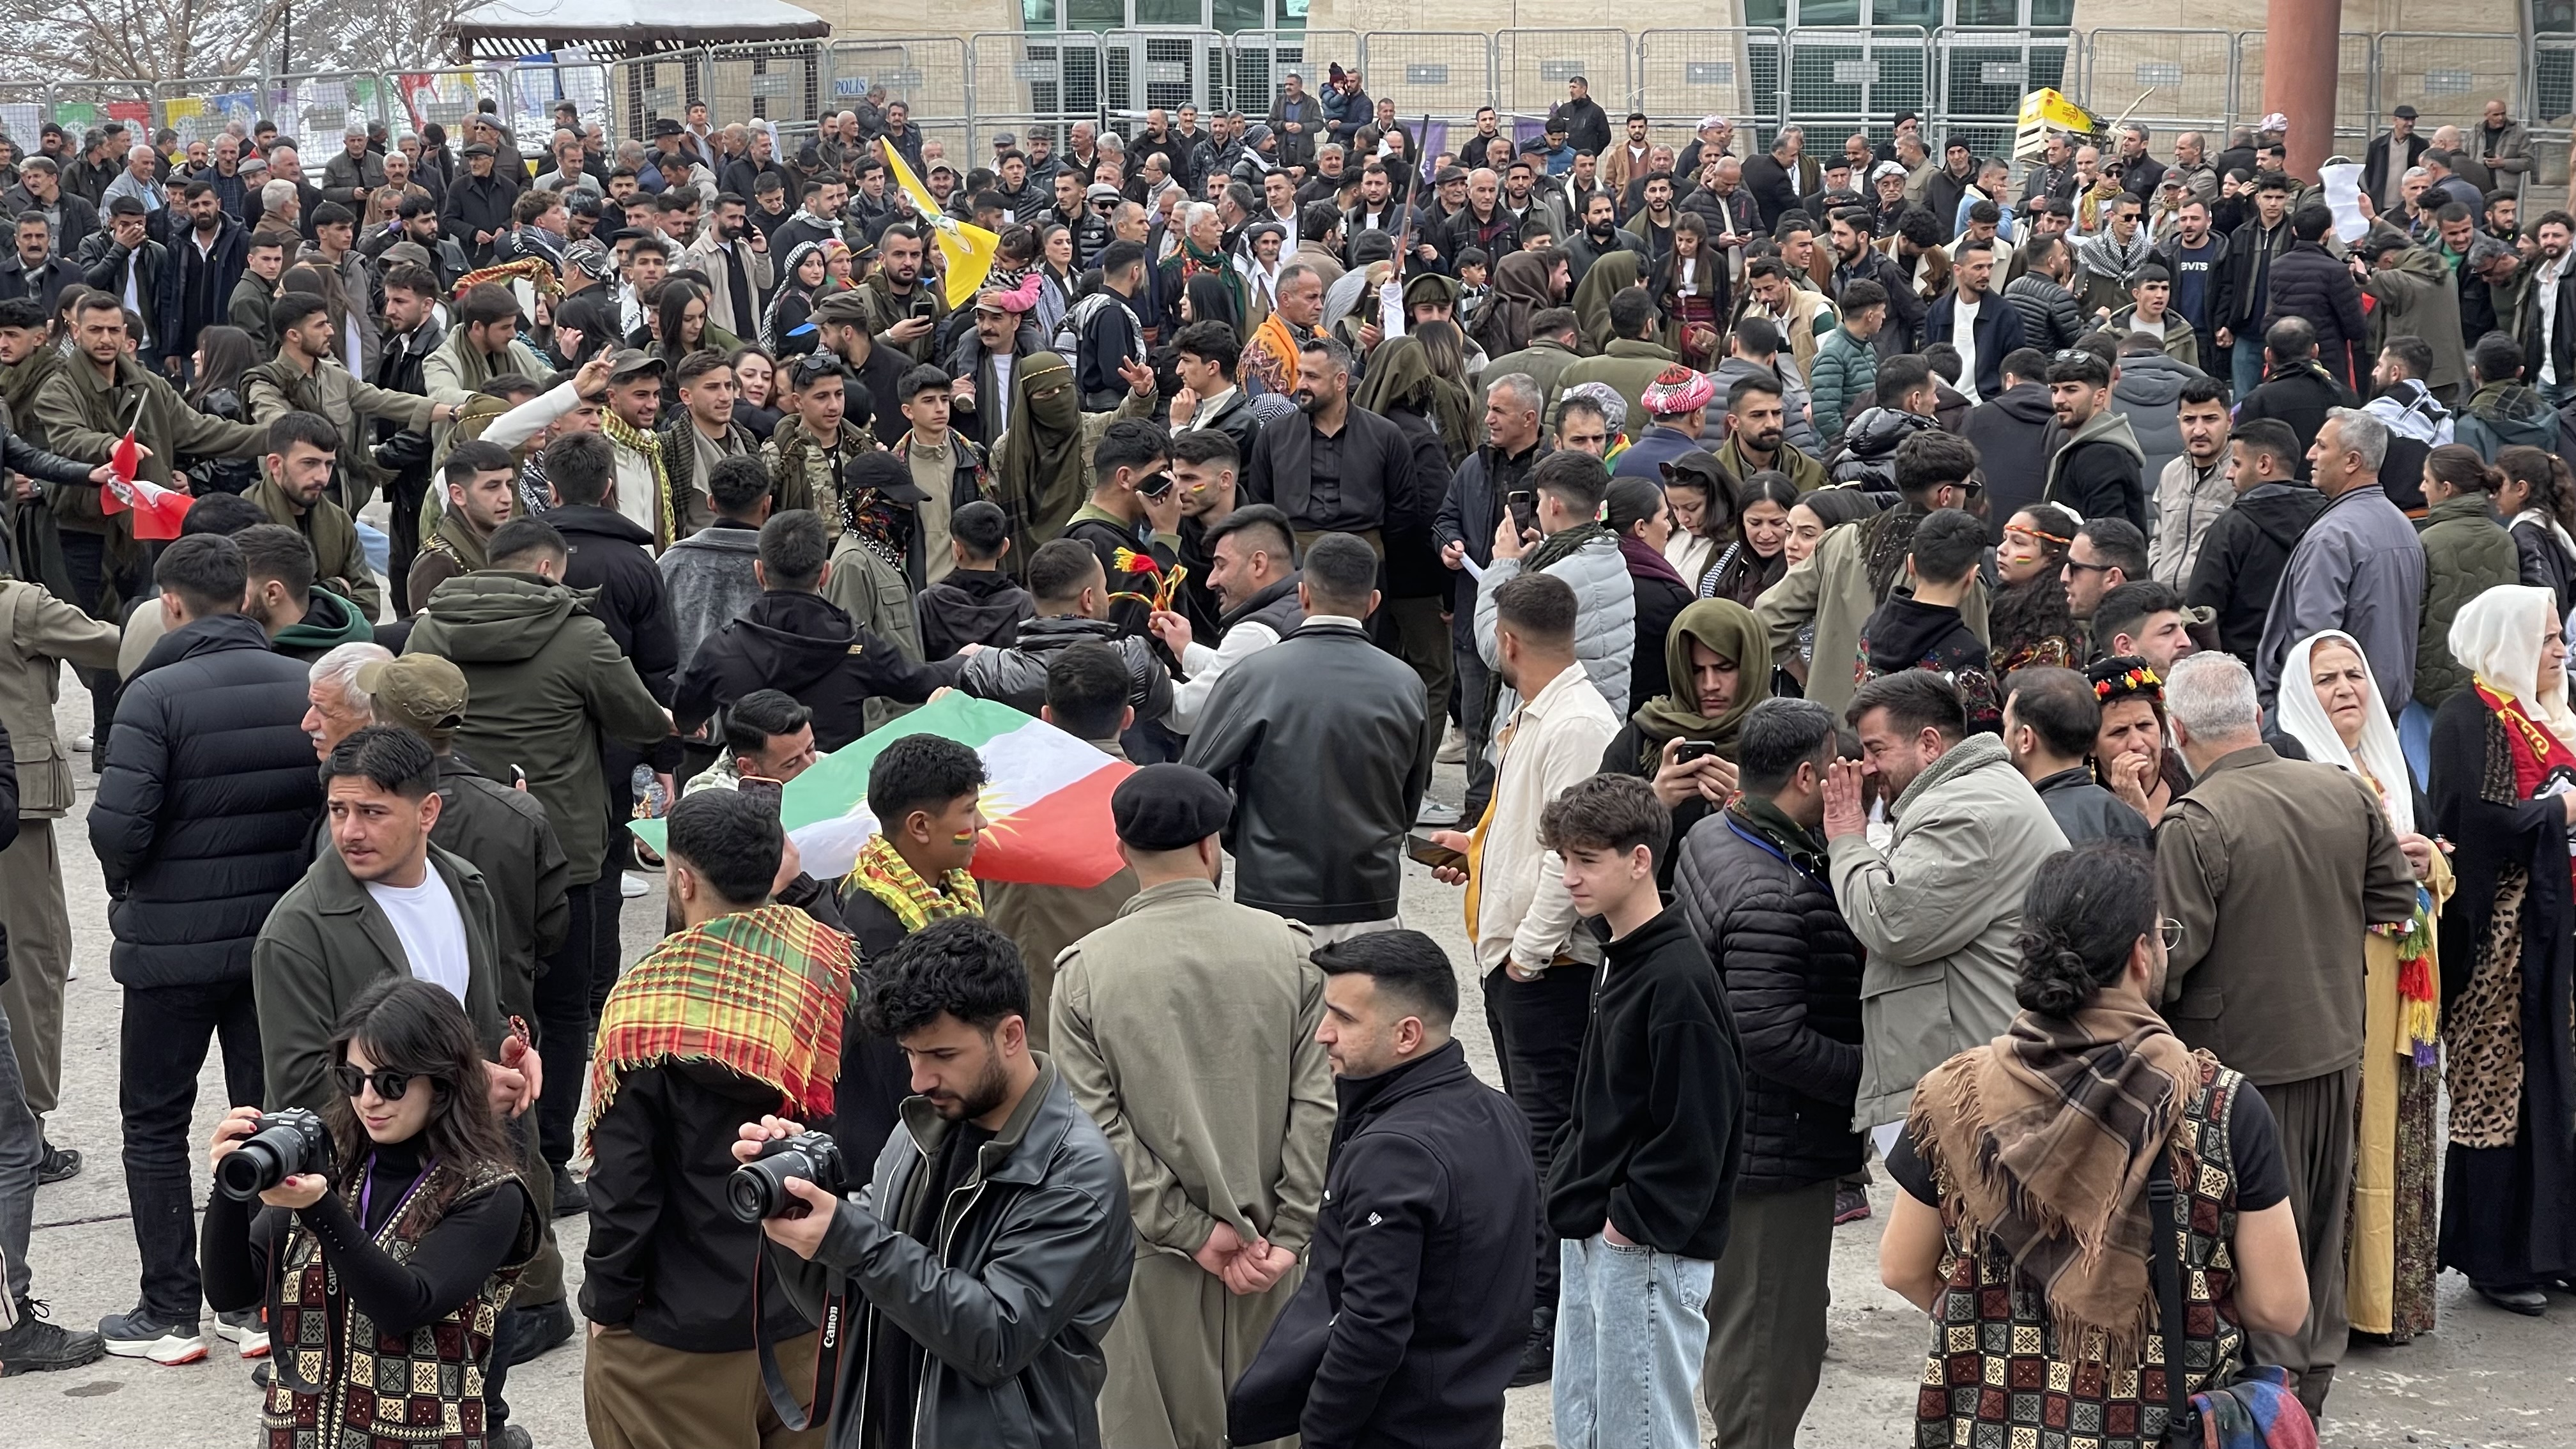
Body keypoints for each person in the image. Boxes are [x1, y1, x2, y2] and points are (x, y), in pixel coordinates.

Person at [1878, 840, 2313, 1449]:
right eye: (2162, 935)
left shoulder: (1953, 1096)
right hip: (2159, 1430)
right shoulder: (2222, 1105)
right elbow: (2280, 1309)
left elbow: (1901, 1266)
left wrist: (2001, 1330)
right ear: (2141, 954)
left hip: (1989, 1428)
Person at [737, 914, 1133, 1449]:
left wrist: (852, 1239)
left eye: (943, 1055)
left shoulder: (1074, 1175)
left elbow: (995, 1340)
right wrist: (800, 1209)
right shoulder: (921, 1125)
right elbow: (853, 1303)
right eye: (910, 1055)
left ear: (1011, 1035)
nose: (920, 1080)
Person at [2154, 650, 2417, 1414]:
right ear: (2258, 716)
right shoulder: (2340, 792)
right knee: (2315, 1240)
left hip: (2233, 1072)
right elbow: (2393, 896)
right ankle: (2310, 1388)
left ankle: (2263, 1402)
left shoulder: (2196, 820)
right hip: (2333, 1047)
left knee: (2244, 1247)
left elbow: (2172, 961)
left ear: (2177, 732)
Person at [1051, 763, 1333, 1447]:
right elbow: (1317, 1104)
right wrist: (1291, 1234)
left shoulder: (1084, 972)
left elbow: (1095, 1129)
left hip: (1150, 1262)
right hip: (1271, 1253)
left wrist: (1191, 1231)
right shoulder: (1292, 953)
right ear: (1214, 847)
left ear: (1121, 851)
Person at [89, 533, 320, 1363]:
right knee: (263, 1115)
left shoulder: (154, 694)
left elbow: (118, 827)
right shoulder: (302, 684)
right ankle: (255, 1299)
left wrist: (132, 886)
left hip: (170, 949)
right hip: (273, 947)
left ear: (171, 604)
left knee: (154, 1123)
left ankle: (170, 1309)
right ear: (251, 596)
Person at [402, 518, 671, 1204]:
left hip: (448, 836)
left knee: (465, 993)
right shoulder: (579, 636)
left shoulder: (431, 630)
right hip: (566, 845)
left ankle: (463, 1146)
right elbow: (639, 718)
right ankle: (549, 1162)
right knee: (560, 1006)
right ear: (550, 571)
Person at [581, 788, 849, 1449]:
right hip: (809, 1311)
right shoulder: (831, 963)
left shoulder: (646, 1007)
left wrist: (606, 1307)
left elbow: (625, 1186)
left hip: (679, 1338)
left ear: (682, 878)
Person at [1415, 574, 1618, 1384]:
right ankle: (1537, 1304)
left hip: (1547, 969)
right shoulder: (1538, 713)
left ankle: (1548, 1315)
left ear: (1504, 642)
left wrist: (1530, 954)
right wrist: (1475, 851)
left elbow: (1570, 859)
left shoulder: (1575, 723)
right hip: (1515, 959)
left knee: (1547, 1148)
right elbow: (1529, 836)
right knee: (1538, 1140)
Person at [201, 978, 540, 1449]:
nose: (369, 1099)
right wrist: (230, 1189)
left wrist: (320, 1210)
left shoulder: (489, 1193)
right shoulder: (329, 1165)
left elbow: (405, 1305)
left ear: (443, 1081)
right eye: (353, 1080)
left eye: (391, 1082)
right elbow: (229, 1290)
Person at [1229, 928, 1533, 1448]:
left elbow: (1370, 1330)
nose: (1323, 1033)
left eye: (1344, 1018)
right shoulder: (1498, 1111)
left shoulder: (1394, 1154)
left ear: (1407, 1034)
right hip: (1471, 1419)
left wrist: (1321, 1436)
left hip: (1399, 1430)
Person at [1669, 696, 1863, 1448]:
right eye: (1843, 765)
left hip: (1739, 1139)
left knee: (1752, 1330)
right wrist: (1878, 1076)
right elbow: (1772, 1037)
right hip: (1773, 1154)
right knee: (1768, 1354)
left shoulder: (1716, 835)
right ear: (1810, 776)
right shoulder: (1773, 893)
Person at [1538, 772, 1743, 1449]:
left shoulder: (1676, 978)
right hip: (1605, 1228)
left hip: (1646, 1244)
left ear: (1639, 860)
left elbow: (1700, 1126)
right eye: (1564, 858)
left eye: (1587, 860)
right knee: (1587, 1425)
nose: (1570, 877)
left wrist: (1628, 1221)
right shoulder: (1619, 956)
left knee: (1642, 1436)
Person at [2270, 630, 2448, 1347]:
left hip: (2408, 985)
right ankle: (2341, 1307)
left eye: (2354, 675)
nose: (2346, 690)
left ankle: (2393, 1305)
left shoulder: (2391, 761)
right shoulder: (2296, 764)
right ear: (2297, 695)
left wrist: (2426, 857)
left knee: (2401, 1133)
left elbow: (2438, 860)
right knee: (2350, 1138)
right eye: (2326, 680)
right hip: (2342, 983)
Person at [1827, 669, 2068, 1142]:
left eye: (1878, 749)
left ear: (1930, 744)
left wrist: (1848, 841)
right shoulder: (1978, 790)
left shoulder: (1962, 812)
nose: (1868, 766)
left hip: (1971, 1096)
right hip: (1982, 1072)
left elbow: (1891, 922)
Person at [2428, 586, 2576, 1316]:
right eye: (2548, 638)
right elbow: (2476, 823)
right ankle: (2496, 1255)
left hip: (2557, 930)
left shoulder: (2546, 714)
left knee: (2557, 1081)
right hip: (2500, 942)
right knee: (2498, 1090)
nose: (2561, 650)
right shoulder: (2471, 715)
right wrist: (2559, 809)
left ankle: (2556, 1246)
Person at [1182, 532, 1427, 940]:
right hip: (1370, 895)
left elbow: (1197, 777)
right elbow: (1410, 797)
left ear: (1303, 595)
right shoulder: (1407, 684)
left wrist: (1240, 836)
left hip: (1271, 894)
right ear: (1373, 603)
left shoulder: (1252, 676)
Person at [0, 500, 121, 1184]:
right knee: (32, 961)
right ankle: (25, 1130)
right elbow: (112, 647)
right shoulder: (20, 606)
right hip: (12, 809)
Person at [672, 510, 959, 756]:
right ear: (825, 573)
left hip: (753, 798)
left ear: (759, 572)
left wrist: (691, 723)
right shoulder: (856, 648)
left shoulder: (721, 650)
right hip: (833, 801)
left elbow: (686, 715)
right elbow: (919, 683)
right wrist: (962, 659)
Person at [1756, 430, 1987, 714]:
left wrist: (1812, 679)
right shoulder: (1952, 563)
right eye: (1970, 489)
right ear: (1947, 495)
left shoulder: (1841, 540)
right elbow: (1975, 665)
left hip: (1831, 728)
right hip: (1912, 732)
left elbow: (1766, 618)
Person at [2253, 408, 2425, 712]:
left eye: (2322, 446)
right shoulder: (2402, 525)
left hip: (2334, 712)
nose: (2310, 455)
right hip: (2381, 705)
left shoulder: (2332, 536)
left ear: (2352, 461)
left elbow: (2315, 640)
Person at [1475, 449, 1637, 733]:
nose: (1536, 509)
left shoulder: (1555, 579)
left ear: (1554, 505)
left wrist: (1502, 564)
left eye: (1539, 499)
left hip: (1553, 726)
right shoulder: (1610, 553)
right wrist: (1543, 550)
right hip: (1599, 718)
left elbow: (1496, 647)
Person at [954, 537, 1170, 723]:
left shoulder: (986, 671)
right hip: (1113, 770)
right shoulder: (1135, 660)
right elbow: (1165, 706)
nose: (1107, 595)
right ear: (1088, 599)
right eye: (1104, 588)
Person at [1153, 503, 1300, 735]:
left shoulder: (1258, 632)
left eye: (1221, 565)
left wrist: (1144, 673)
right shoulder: (1298, 608)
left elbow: (1186, 713)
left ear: (1258, 564)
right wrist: (1186, 650)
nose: (1211, 581)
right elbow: (1240, 673)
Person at [2185, 418, 2320, 665]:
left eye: (2236, 464)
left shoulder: (2231, 527)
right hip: (2312, 668)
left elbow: (2201, 613)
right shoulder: (2328, 521)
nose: (2229, 474)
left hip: (2244, 672)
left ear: (2264, 464)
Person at [2001, 664, 2150, 846]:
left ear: (2026, 738)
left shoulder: (2023, 828)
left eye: (2007, 726)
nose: (2004, 738)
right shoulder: (2130, 817)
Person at [656, 454, 773, 665]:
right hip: (767, 695)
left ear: (711, 502)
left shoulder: (670, 562)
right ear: (767, 504)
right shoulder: (784, 566)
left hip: (682, 692)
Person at [2038, 348, 2145, 530]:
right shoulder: (2068, 439)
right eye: (2055, 390)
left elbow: (2108, 537)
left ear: (2100, 396)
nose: (2059, 399)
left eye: (2071, 390)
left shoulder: (2103, 455)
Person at [917, 498, 1034, 660]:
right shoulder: (1026, 605)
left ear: (957, 549)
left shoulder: (927, 602)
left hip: (943, 685)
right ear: (1004, 548)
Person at [2148, 378, 2234, 586]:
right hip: (2168, 605)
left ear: (2229, 421)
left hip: (2215, 610)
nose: (2198, 430)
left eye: (2210, 419)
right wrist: (2157, 571)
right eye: (2189, 420)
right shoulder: (2171, 472)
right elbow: (2159, 538)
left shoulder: (2241, 473)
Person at [1988, 502, 2083, 676]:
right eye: (2004, 539)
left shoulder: (2055, 627)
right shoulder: (1998, 600)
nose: (2001, 549)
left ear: (2052, 555)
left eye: (2018, 542)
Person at [2497, 446, 2576, 616]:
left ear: (2521, 489)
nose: (2492, 494)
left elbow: (2540, 592)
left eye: (2500, 483)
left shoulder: (2526, 532)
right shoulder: (2553, 523)